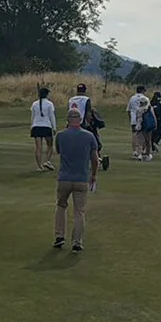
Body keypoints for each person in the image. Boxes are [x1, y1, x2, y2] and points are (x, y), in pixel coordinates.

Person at [53, 107, 99, 252]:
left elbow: (59, 151)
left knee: (61, 206)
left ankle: (60, 236)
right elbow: (95, 159)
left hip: (64, 178)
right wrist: (94, 175)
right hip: (81, 178)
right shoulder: (89, 136)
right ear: (80, 120)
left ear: (67, 120)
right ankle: (77, 242)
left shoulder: (61, 136)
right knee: (79, 211)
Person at [30, 86, 59, 171]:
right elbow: (51, 116)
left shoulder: (34, 104)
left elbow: (32, 116)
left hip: (36, 126)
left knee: (38, 147)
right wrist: (54, 127)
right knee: (49, 145)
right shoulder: (50, 104)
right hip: (46, 126)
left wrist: (32, 126)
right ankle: (47, 161)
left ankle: (39, 166)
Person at [128, 85, 151, 160]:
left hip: (134, 118)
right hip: (144, 120)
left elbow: (129, 109)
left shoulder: (132, 98)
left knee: (135, 134)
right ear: (142, 91)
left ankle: (135, 150)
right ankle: (143, 151)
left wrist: (130, 118)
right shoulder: (146, 99)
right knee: (145, 136)